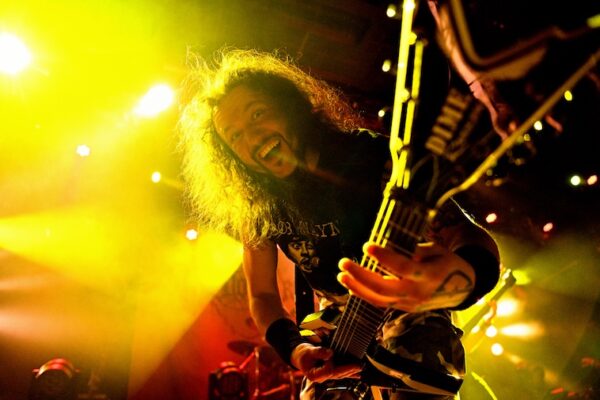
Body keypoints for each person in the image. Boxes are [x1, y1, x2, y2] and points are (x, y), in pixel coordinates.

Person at [178, 49, 500, 399]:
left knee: (421, 347)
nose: (251, 137)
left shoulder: (370, 157)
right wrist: (297, 350)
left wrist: (462, 280)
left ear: (291, 107)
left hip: (405, 309)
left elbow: (465, 234)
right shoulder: (259, 207)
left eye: (258, 114)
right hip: (336, 339)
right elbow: (262, 295)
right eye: (234, 137)